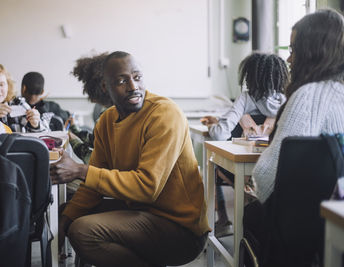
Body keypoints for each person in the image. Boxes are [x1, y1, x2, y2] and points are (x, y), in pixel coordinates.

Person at [50, 51, 209, 267]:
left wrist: (81, 170)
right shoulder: (107, 121)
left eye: (137, 77)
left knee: (84, 232)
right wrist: (63, 222)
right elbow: (92, 188)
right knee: (66, 215)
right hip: (141, 213)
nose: (133, 86)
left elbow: (147, 187)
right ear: (106, 87)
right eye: (122, 81)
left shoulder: (164, 114)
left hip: (180, 230)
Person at [244, 8, 344, 264]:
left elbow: (266, 177)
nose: (288, 60)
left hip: (303, 231)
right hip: (336, 219)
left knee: (249, 213)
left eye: (293, 50)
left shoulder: (308, 97)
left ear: (312, 52)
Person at [200, 52, 289, 237]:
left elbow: (220, 134)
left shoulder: (246, 98)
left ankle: (223, 219)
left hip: (242, 168)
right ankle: (251, 199)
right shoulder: (286, 100)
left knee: (213, 167)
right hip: (275, 170)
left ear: (251, 76)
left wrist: (215, 125)